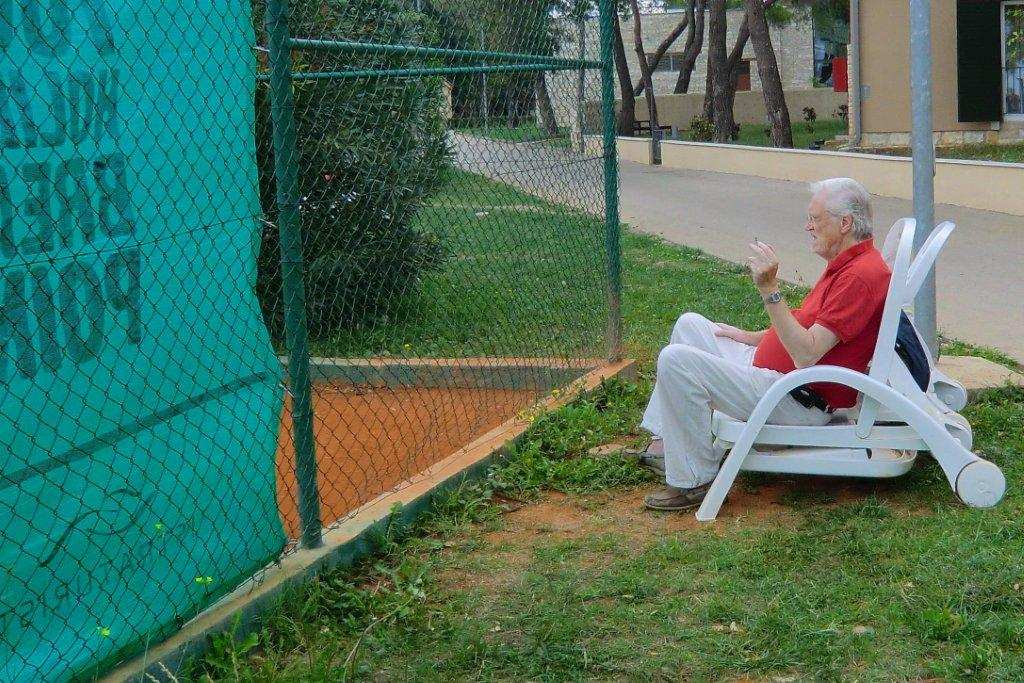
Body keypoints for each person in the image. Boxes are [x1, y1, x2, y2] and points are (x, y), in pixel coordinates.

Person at [638, 177, 892, 511]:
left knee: (676, 360)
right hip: (780, 380)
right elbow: (805, 323)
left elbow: (806, 353)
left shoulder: (859, 276)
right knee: (692, 326)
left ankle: (693, 481)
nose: (808, 226)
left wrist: (768, 288)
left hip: (796, 398)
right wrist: (752, 338)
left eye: (815, 219)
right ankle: (664, 444)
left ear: (845, 223)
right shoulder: (848, 264)